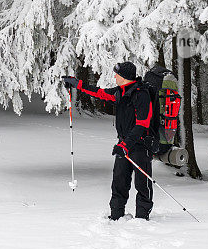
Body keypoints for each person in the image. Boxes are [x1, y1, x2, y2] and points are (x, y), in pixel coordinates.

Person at [62, 62, 154, 221]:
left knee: (142, 184)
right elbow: (100, 93)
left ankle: (142, 219)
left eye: (117, 74)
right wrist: (77, 84)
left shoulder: (142, 94)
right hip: (123, 145)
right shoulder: (120, 92)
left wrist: (125, 146)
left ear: (124, 77)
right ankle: (116, 216)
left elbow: (142, 125)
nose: (115, 76)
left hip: (140, 145)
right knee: (119, 181)